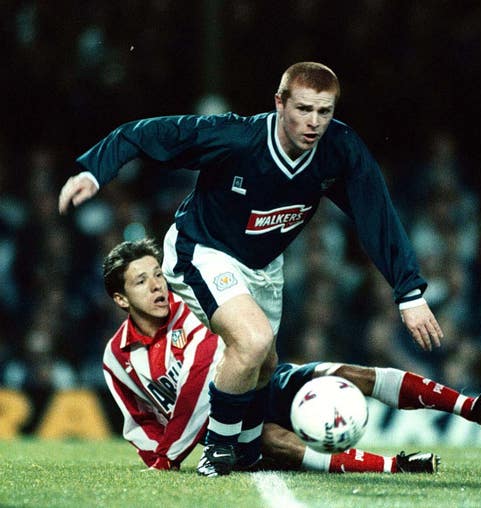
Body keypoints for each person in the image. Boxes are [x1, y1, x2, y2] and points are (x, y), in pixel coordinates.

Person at [58, 62, 444, 476]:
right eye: (303, 109)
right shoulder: (235, 137)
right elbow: (144, 133)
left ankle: (244, 451)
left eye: (325, 111)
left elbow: (376, 215)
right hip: (202, 250)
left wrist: (409, 293)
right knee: (252, 340)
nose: (314, 123)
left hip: (263, 265)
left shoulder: (341, 148)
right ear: (279, 103)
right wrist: (94, 172)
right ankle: (218, 451)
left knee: (263, 364)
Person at [101, 239, 481, 475]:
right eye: (142, 281)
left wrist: (168, 454)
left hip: (258, 386)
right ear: (121, 298)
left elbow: (198, 387)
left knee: (347, 373)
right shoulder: (116, 357)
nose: (158, 286)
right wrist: (155, 456)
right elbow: (136, 416)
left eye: (158, 273)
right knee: (276, 441)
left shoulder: (193, 308)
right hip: (228, 428)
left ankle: (472, 405)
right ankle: (395, 466)